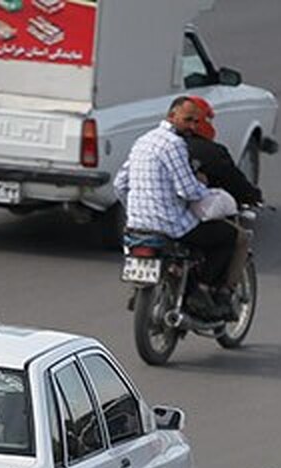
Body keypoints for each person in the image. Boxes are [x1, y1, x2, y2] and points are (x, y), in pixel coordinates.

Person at [113, 96, 239, 320]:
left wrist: (136, 210)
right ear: (172, 116)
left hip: (135, 226)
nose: (192, 126)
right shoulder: (175, 144)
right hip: (170, 225)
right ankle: (202, 289)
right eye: (187, 120)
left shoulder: (143, 141)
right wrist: (208, 192)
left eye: (196, 122)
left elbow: (120, 184)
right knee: (228, 236)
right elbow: (187, 191)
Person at [184, 96, 264, 307]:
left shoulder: (161, 147)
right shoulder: (212, 153)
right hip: (183, 222)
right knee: (236, 237)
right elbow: (235, 181)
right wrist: (253, 196)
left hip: (145, 223)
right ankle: (209, 288)